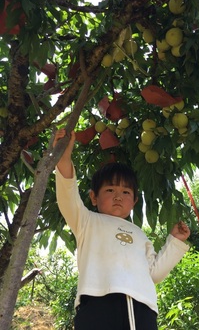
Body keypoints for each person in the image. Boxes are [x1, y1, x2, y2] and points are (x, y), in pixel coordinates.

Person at [53, 128, 190, 330]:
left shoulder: (140, 234)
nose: (118, 196)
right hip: (96, 302)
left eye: (125, 192)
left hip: (141, 306)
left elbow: (155, 274)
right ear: (93, 197)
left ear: (134, 201)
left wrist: (175, 241)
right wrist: (63, 158)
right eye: (110, 190)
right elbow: (67, 197)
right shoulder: (87, 221)